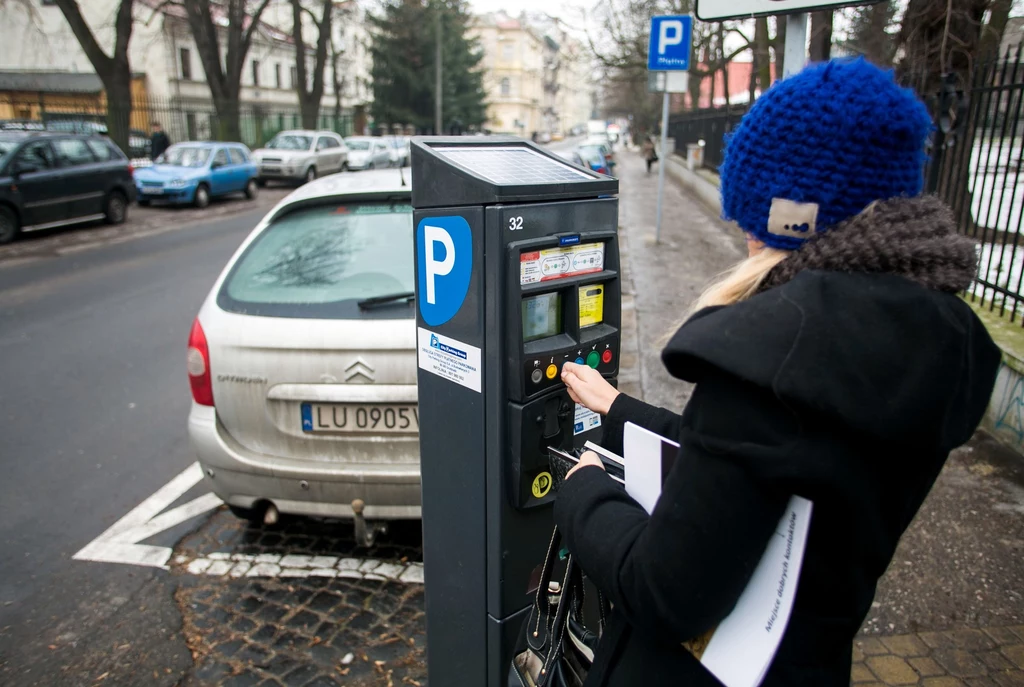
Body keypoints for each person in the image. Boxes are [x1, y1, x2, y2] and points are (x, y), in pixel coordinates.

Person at [555, 58, 1001, 687]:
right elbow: (764, 462)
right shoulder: (928, 341)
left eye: (748, 215)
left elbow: (664, 595)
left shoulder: (773, 355)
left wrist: (585, 491)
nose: (740, 232)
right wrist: (620, 408)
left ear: (792, 214)